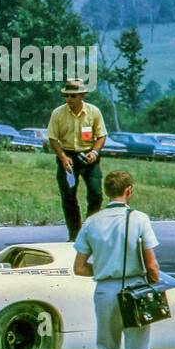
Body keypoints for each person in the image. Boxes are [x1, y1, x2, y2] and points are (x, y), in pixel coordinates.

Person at [72, 170, 160, 349]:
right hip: (134, 292)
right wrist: (154, 280)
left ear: (108, 192)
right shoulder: (139, 220)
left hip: (105, 291)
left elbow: (79, 267)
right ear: (129, 191)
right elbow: (152, 267)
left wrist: (104, 271)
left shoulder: (92, 222)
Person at [48, 77, 107, 241]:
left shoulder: (93, 112)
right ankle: (74, 235)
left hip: (88, 156)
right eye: (66, 96)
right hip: (67, 156)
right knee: (68, 197)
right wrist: (63, 157)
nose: (69, 99)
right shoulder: (58, 113)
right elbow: (53, 138)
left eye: (73, 96)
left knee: (96, 194)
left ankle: (89, 231)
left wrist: (94, 152)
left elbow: (102, 136)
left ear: (82, 96)